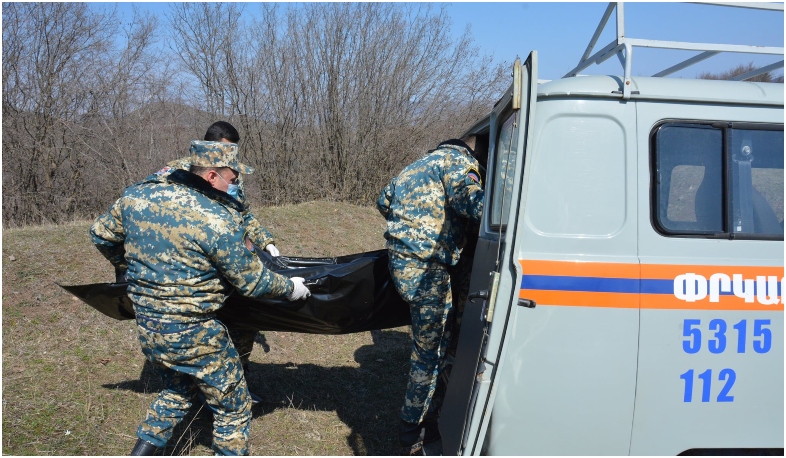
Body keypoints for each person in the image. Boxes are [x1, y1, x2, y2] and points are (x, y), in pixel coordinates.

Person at [90, 140, 311, 456]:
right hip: (194, 330)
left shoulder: (138, 197)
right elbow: (252, 281)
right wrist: (291, 288)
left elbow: (100, 235)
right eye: (232, 179)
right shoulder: (213, 218)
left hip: (149, 325)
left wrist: (128, 267)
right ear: (211, 176)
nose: (234, 186)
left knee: (179, 390)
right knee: (233, 405)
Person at [145, 121, 275, 405]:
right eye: (226, 151)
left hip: (228, 259)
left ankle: (236, 384)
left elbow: (243, 213)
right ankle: (200, 391)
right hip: (195, 264)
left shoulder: (231, 176)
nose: (231, 160)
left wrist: (266, 242)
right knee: (204, 330)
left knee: (242, 323)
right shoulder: (174, 173)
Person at [376, 135, 484, 455]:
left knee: (432, 342)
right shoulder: (460, 163)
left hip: (400, 266)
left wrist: (414, 223)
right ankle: (413, 429)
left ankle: (425, 413)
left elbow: (384, 201)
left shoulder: (412, 168)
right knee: (430, 351)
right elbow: (474, 204)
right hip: (428, 271)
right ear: (467, 150)